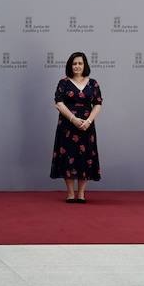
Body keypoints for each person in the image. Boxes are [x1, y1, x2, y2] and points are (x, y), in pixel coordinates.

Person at [51, 51, 103, 202]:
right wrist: (73, 119)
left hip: (86, 127)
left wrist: (88, 122)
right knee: (68, 157)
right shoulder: (64, 83)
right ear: (70, 66)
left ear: (85, 65)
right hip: (67, 126)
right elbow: (58, 103)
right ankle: (70, 193)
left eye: (80, 63)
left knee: (84, 157)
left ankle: (81, 194)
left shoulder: (93, 83)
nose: (77, 66)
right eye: (74, 64)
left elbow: (98, 104)